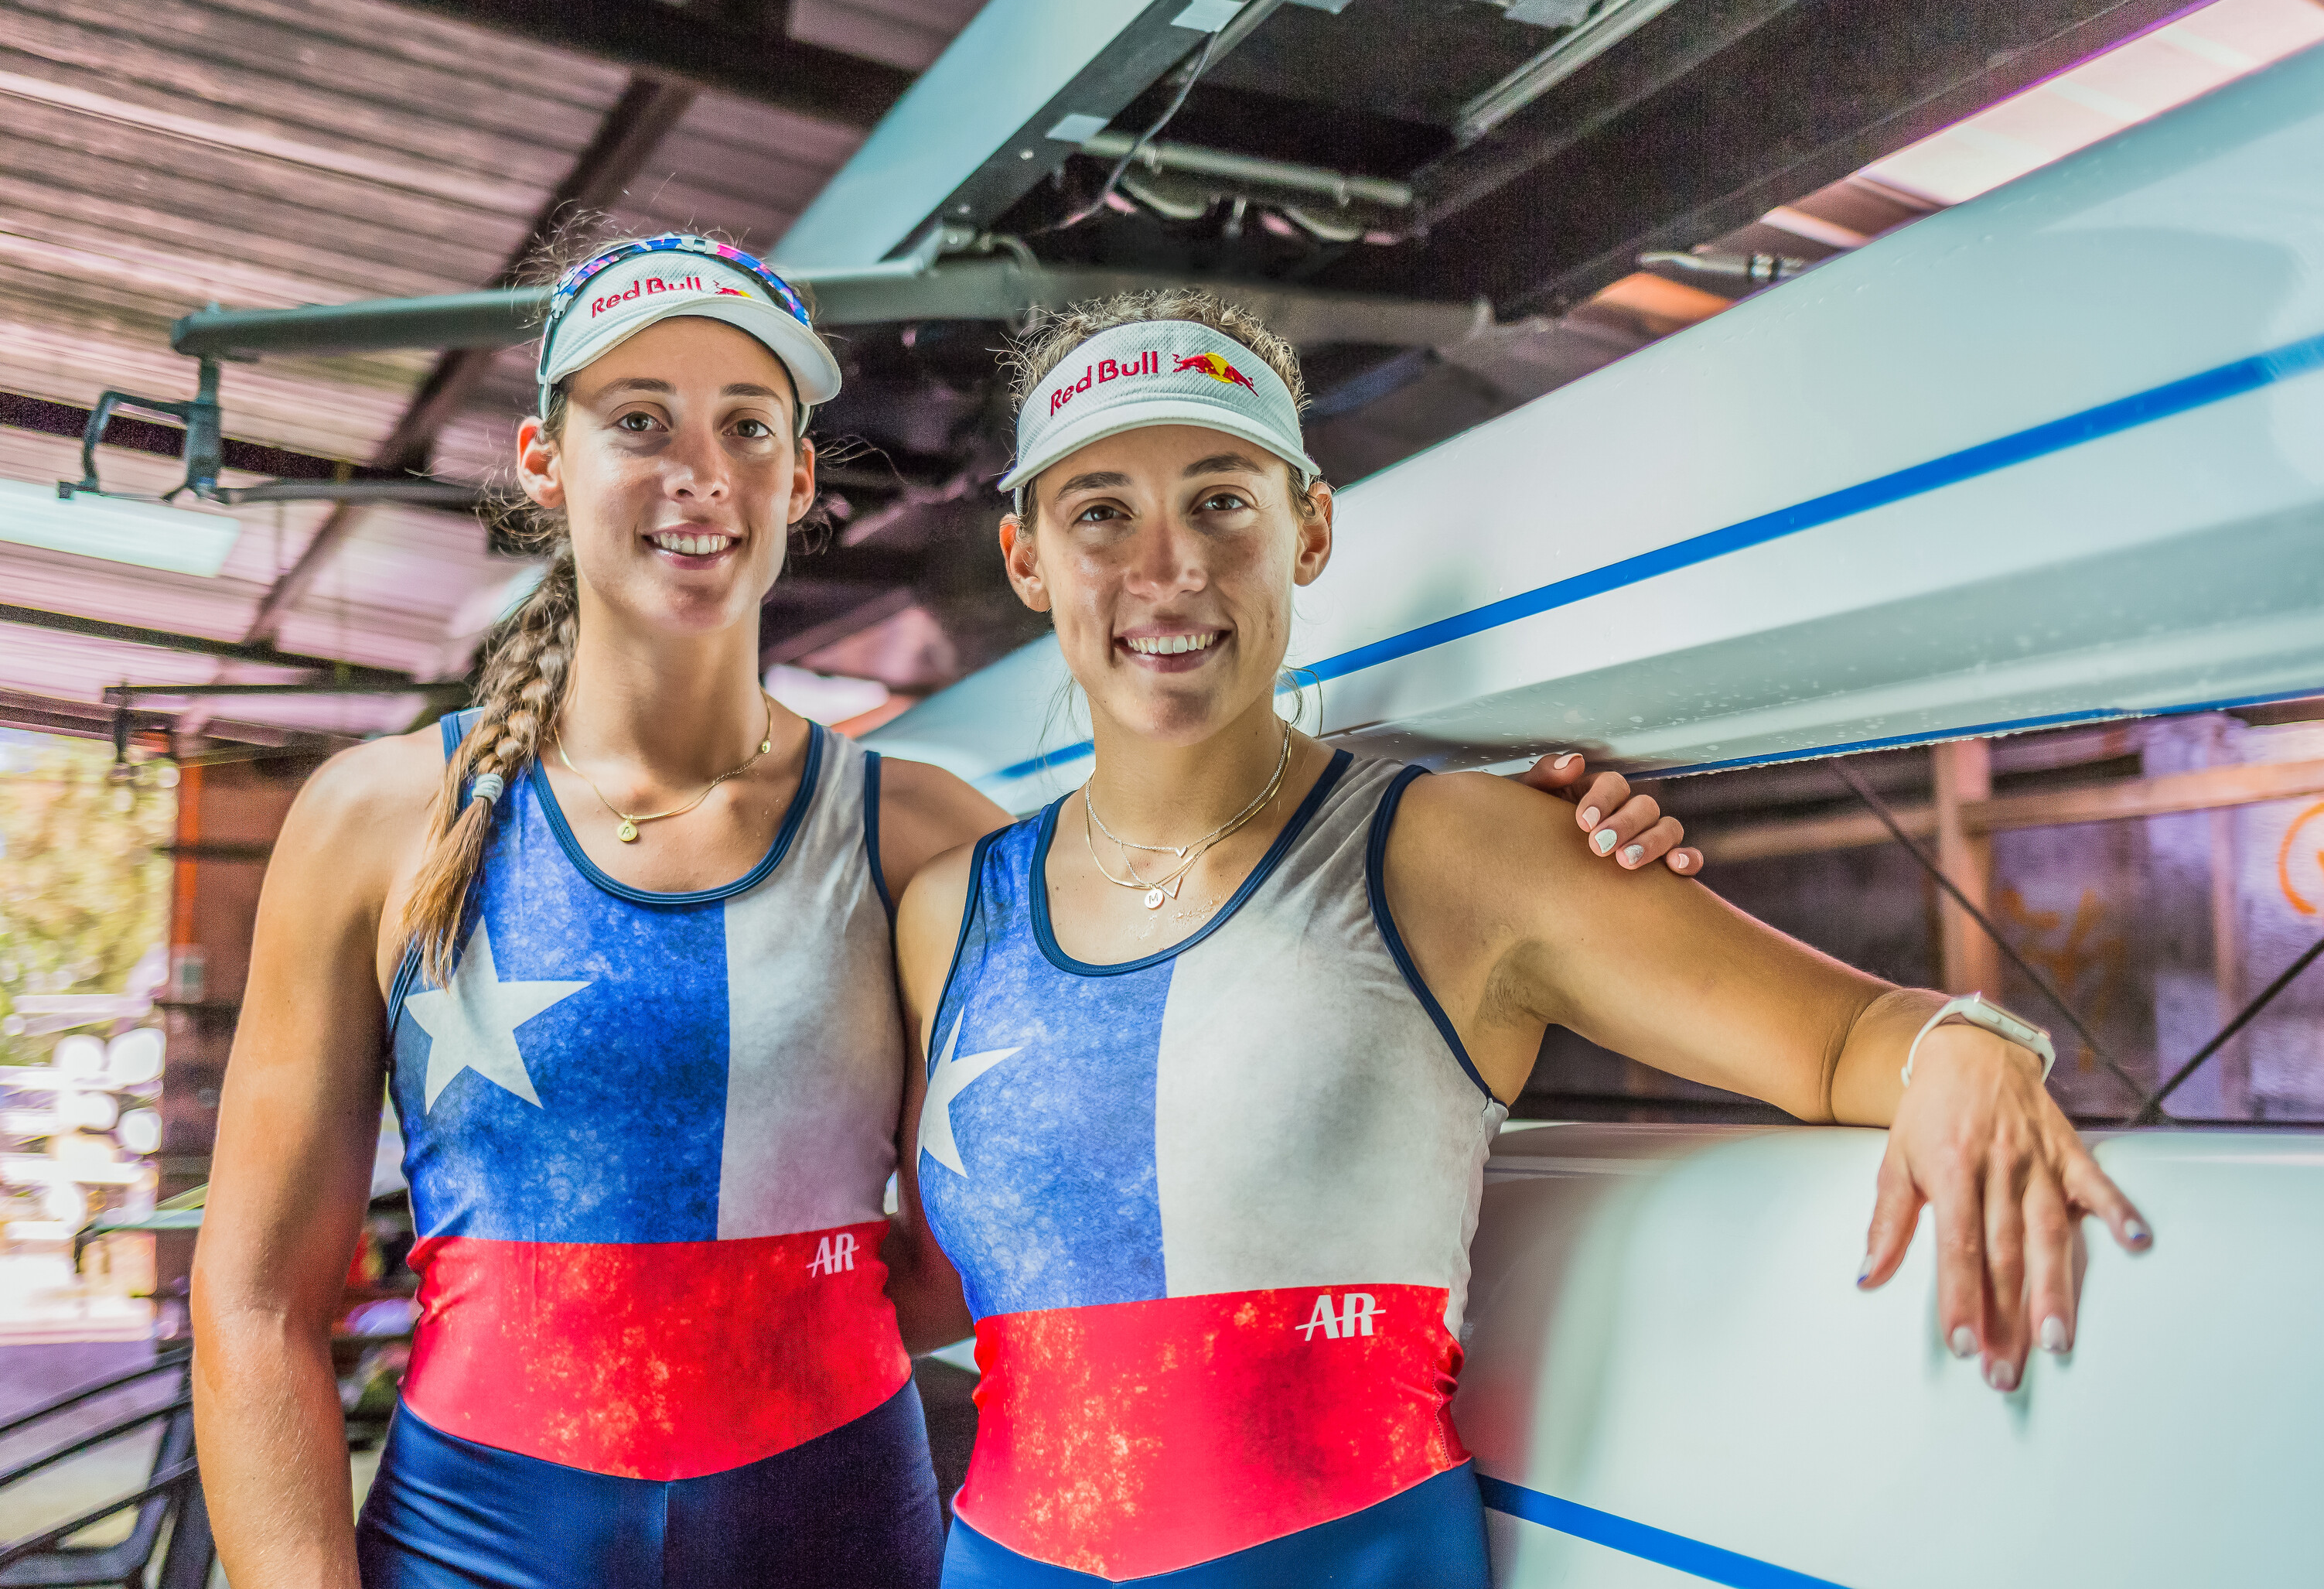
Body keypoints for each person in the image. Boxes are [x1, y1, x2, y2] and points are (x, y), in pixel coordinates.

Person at [189, 234, 1701, 1589]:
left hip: (841, 1525)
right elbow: (256, 1299)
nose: (694, 470)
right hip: (480, 1537)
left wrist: (1509, 827)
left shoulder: (927, 841)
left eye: (747, 427)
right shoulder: (382, 818)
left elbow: (1209, 918)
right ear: (541, 457)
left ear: (799, 479)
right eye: (636, 420)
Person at [893, 292, 2157, 1588]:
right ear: (1028, 558)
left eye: (1222, 500)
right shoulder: (952, 913)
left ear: (1308, 530)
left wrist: (1973, 1052)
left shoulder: (1460, 853)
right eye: (1101, 512)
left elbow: (1842, 1039)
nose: (1168, 567)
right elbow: (921, 1279)